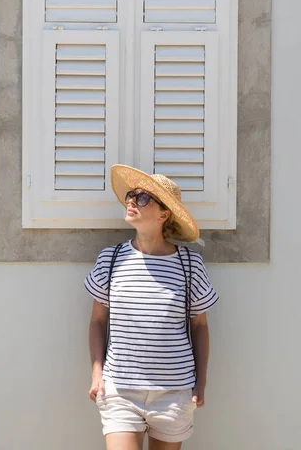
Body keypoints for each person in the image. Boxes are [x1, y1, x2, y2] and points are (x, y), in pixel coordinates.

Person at [84, 164, 219, 450]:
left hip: (174, 391)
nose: (131, 200)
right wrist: (97, 373)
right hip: (119, 390)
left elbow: (200, 325)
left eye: (143, 197)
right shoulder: (110, 260)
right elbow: (98, 321)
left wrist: (201, 383)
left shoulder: (189, 264)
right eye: (131, 194)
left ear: (164, 214)